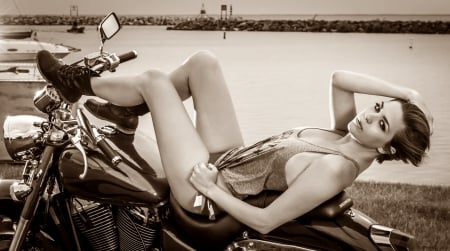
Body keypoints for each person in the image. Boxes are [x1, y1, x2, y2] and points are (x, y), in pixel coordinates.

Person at [36, 50, 432, 234]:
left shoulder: (336, 167)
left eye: (381, 123)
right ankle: (129, 108)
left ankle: (75, 84)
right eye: (377, 107)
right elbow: (339, 77)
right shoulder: (350, 134)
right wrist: (403, 92)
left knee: (155, 81)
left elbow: (265, 221)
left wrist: (209, 187)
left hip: (206, 190)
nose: (368, 115)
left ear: (385, 148)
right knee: (203, 63)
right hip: (229, 158)